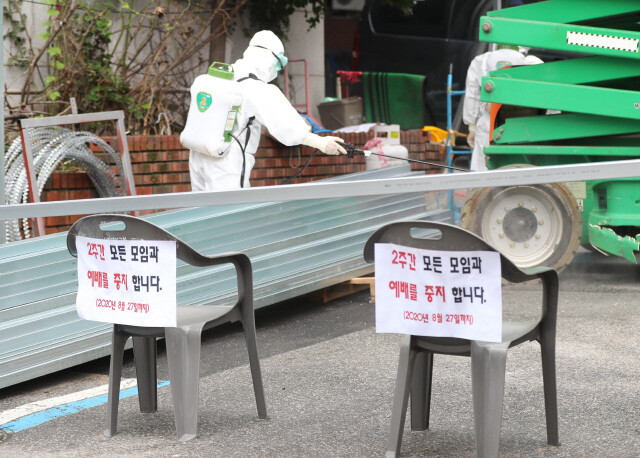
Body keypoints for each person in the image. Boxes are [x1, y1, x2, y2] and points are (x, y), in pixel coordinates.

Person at [189, 30, 347, 191]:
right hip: (227, 162)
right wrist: (321, 143)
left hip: (197, 157)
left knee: (201, 211)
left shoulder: (218, 77)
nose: (276, 70)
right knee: (229, 212)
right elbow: (289, 128)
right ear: (269, 59)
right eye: (278, 64)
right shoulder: (255, 87)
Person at [463, 48, 543, 171]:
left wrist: (471, 127)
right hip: (523, 126)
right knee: (520, 167)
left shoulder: (481, 61)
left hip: (488, 125)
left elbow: (472, 95)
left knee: (483, 170)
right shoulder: (532, 62)